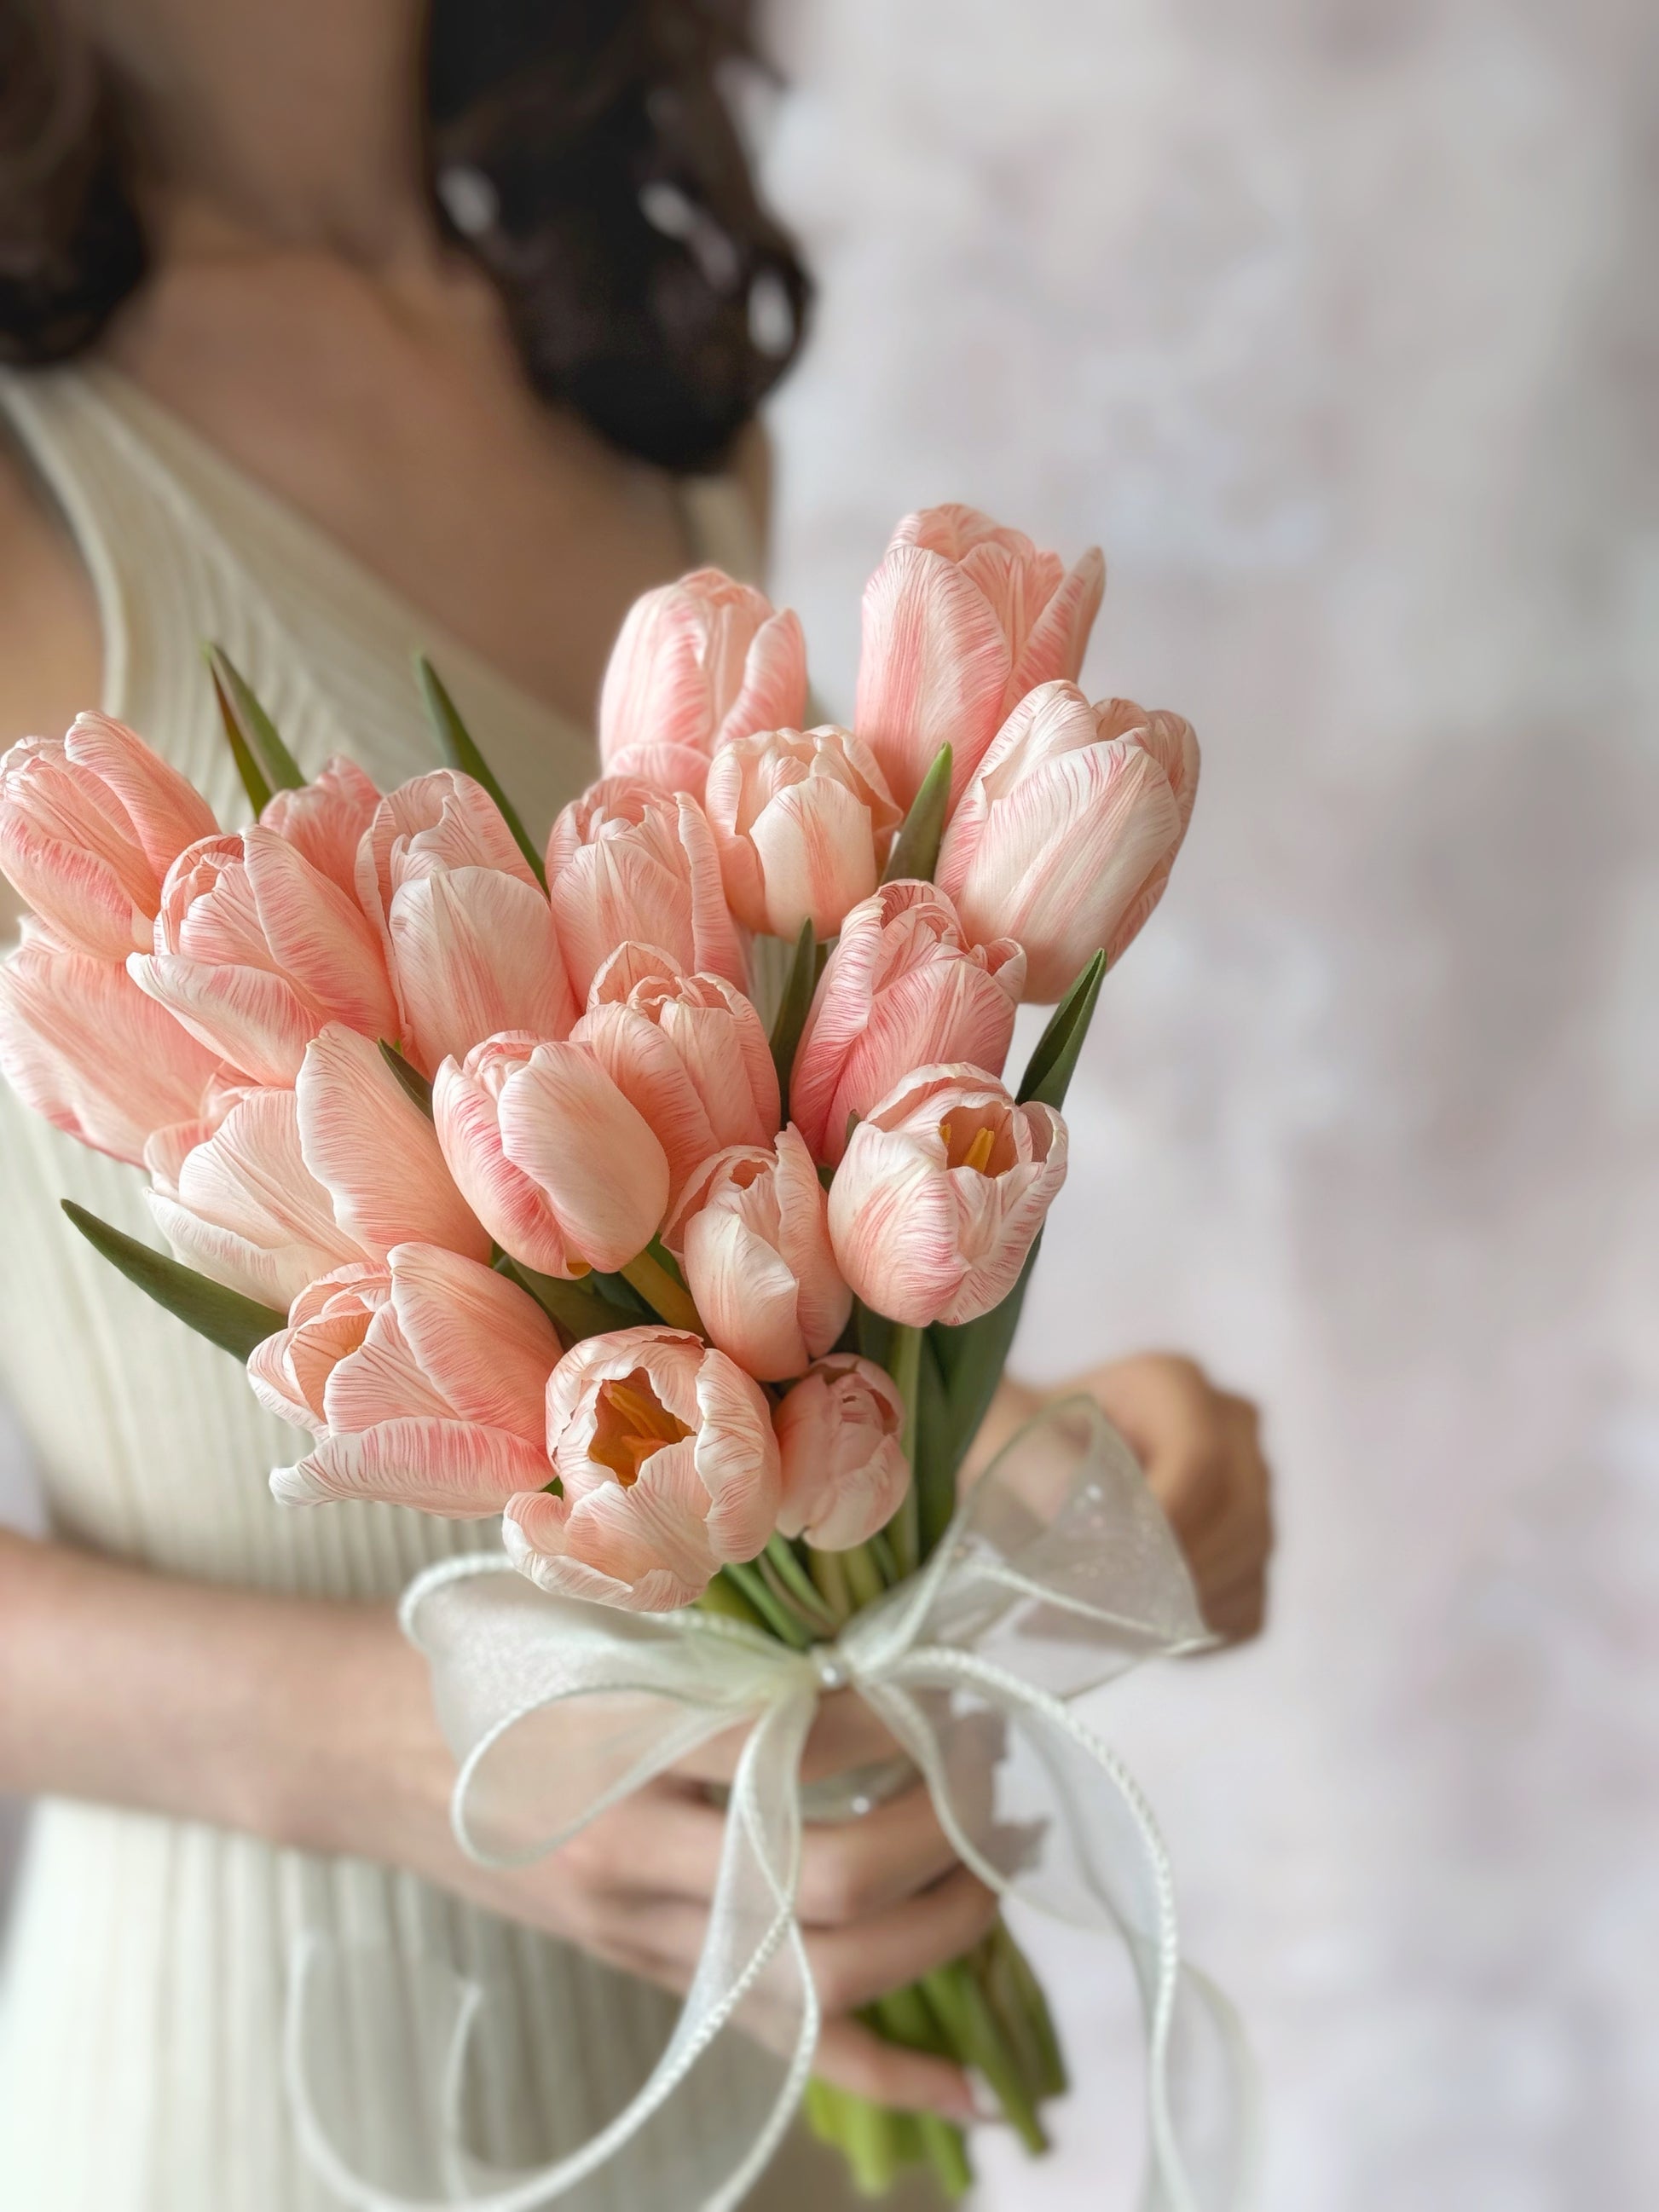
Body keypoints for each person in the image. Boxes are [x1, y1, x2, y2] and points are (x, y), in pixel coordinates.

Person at [0, 2, 1275, 2204]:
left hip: (782, 2071)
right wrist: (390, 1744)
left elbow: (642, 1257)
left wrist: (1008, 1452)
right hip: (289, 2087)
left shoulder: (634, 392)